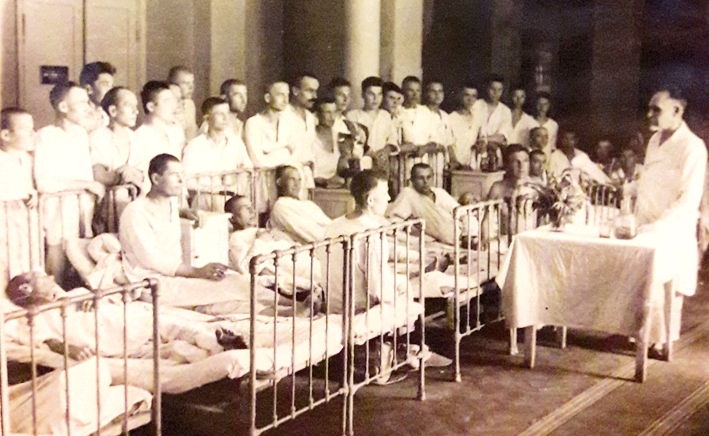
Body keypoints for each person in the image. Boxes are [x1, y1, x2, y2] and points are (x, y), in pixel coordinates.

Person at [7, 272, 246, 363]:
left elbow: (105, 295)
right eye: (41, 277)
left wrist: (95, 297)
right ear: (27, 289)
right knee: (166, 329)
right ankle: (212, 344)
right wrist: (66, 347)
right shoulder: (34, 316)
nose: (50, 277)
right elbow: (41, 338)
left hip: (120, 322)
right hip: (108, 334)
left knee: (166, 332)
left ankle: (211, 344)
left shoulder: (72, 295)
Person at [119, 153, 254, 312]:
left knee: (237, 284)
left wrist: (184, 211)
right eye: (174, 175)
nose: (181, 180)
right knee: (237, 286)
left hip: (175, 277)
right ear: (155, 179)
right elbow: (151, 259)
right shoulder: (135, 212)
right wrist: (197, 272)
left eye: (182, 174)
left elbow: (164, 215)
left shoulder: (170, 204)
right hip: (151, 284)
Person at [635, 88, 707, 349]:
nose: (649, 114)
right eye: (649, 108)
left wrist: (659, 227)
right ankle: (642, 334)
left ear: (677, 110)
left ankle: (662, 340)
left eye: (656, 109)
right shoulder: (654, 139)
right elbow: (649, 181)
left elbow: (688, 199)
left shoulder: (693, 147)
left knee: (667, 285)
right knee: (642, 283)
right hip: (645, 223)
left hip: (672, 229)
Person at [35, 82, 106, 287]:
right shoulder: (46, 136)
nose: (88, 107)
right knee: (57, 256)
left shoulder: (80, 135)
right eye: (82, 102)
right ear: (63, 107)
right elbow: (44, 182)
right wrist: (87, 185)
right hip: (57, 208)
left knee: (80, 258)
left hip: (81, 207)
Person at [226, 195, 320, 306]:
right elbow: (246, 268)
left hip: (300, 258)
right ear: (232, 218)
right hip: (290, 266)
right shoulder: (237, 238)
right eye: (245, 208)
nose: (252, 210)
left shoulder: (262, 230)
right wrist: (261, 240)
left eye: (251, 206)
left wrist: (286, 239)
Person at [89, 87, 144, 232]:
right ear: (113, 111)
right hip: (105, 206)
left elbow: (140, 174)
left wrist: (131, 174)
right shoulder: (99, 137)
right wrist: (122, 174)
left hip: (131, 201)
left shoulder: (134, 138)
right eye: (129, 106)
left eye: (136, 106)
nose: (136, 111)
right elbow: (99, 175)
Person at [182, 97, 253, 211]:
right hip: (205, 199)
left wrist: (237, 186)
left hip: (231, 197)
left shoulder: (235, 142)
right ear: (207, 118)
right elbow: (186, 179)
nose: (226, 118)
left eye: (227, 113)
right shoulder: (195, 145)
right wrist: (211, 189)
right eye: (220, 114)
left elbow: (247, 169)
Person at [243, 81, 303, 213]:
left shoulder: (294, 123)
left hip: (286, 184)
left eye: (287, 95)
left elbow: (295, 156)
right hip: (261, 185)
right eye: (280, 95)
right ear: (267, 98)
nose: (285, 100)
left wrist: (269, 154)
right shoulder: (253, 123)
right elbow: (258, 160)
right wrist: (285, 151)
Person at [0, 108, 38, 279]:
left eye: (33, 129)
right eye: (26, 129)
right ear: (6, 135)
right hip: (4, 222)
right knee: (5, 263)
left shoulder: (27, 159)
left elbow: (28, 186)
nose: (33, 134)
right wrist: (23, 193)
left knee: (25, 260)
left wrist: (32, 192)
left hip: (23, 221)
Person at [386, 163, 460, 246]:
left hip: (461, 233)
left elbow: (461, 212)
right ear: (412, 180)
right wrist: (415, 238)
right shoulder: (409, 194)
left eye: (428, 177)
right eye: (421, 178)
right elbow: (394, 226)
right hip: (445, 239)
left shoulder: (440, 193)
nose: (425, 182)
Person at [134, 80, 186, 194]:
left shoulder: (175, 132)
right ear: (151, 106)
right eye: (167, 101)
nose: (173, 106)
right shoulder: (139, 137)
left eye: (173, 101)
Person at [346, 76, 399, 174]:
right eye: (371, 94)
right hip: (361, 165)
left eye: (379, 94)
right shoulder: (353, 116)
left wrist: (385, 151)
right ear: (363, 95)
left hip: (381, 165)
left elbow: (392, 139)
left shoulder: (385, 115)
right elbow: (354, 143)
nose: (375, 98)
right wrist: (372, 155)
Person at [268, 166, 332, 244]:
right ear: (280, 182)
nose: (297, 184)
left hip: (330, 239)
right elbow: (313, 234)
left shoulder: (308, 204)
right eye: (292, 179)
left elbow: (328, 224)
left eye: (299, 180)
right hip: (321, 244)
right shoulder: (281, 206)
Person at [312, 97, 346, 187]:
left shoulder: (338, 136)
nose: (332, 117)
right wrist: (325, 181)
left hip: (336, 185)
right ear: (318, 115)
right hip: (316, 187)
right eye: (327, 112)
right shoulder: (311, 138)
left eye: (334, 112)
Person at [472, 74, 513, 147]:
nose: (496, 93)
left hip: (494, 150)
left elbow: (502, 137)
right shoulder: (476, 105)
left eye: (499, 90)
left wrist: (484, 140)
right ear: (487, 88)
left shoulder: (505, 111)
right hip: (473, 147)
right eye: (492, 89)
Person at [447, 84, 480, 169]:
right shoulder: (451, 118)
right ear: (460, 96)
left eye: (473, 96)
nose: (470, 99)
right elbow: (448, 144)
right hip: (455, 165)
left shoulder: (477, 118)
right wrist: (455, 163)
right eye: (467, 95)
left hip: (471, 166)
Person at [79, 61, 115, 132]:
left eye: (111, 86)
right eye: (105, 84)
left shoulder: (106, 115)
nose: (110, 90)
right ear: (88, 89)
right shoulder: (80, 116)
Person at [168, 65, 198, 141]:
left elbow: (191, 133)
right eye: (185, 83)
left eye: (192, 82)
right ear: (173, 85)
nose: (191, 87)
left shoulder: (190, 104)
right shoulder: (166, 106)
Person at [533, 92, 558, 160]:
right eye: (539, 104)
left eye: (545, 104)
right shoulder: (528, 121)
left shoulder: (553, 124)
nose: (542, 107)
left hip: (547, 158)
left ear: (549, 106)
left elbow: (552, 146)